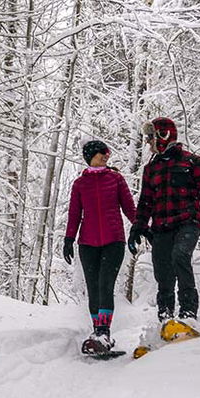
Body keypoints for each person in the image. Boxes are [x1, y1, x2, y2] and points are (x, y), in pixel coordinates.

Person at [127, 117, 200, 323]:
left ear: (163, 136)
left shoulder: (191, 162)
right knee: (163, 272)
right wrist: (137, 228)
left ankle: (188, 313)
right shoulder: (150, 169)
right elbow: (145, 202)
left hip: (187, 223)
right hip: (161, 228)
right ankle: (165, 318)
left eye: (151, 137)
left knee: (180, 255)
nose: (147, 142)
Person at [63, 139, 136, 353]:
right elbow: (75, 214)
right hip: (87, 244)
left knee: (105, 285)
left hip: (114, 241)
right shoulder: (79, 184)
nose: (106, 155)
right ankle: (97, 334)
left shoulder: (116, 179)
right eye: (102, 152)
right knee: (93, 289)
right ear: (91, 156)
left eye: (107, 152)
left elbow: (129, 208)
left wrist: (141, 228)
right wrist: (68, 239)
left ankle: (104, 332)